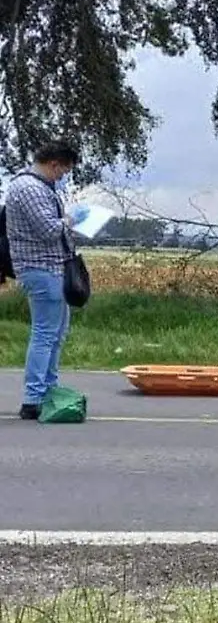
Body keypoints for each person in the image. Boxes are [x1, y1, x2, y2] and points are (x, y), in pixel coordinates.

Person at [4, 140, 85, 420]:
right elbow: (48, 230)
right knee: (44, 334)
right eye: (63, 171)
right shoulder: (29, 188)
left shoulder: (36, 187)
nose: (62, 177)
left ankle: (48, 389)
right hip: (41, 269)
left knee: (56, 334)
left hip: (51, 268)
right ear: (54, 164)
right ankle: (34, 397)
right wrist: (71, 220)